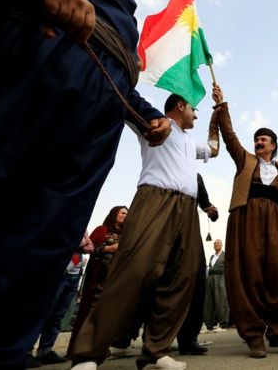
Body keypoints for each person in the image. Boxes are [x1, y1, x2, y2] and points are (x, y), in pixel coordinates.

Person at [0, 0, 171, 367]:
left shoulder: (126, 16)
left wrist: (147, 114)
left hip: (102, 98)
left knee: (49, 233)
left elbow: (113, 65)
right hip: (41, 39)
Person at [70, 89, 220, 370]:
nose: (196, 114)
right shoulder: (155, 123)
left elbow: (214, 148)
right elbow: (125, 100)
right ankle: (89, 354)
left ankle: (156, 351)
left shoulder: (191, 140)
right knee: (133, 270)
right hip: (155, 199)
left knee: (182, 277)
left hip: (187, 209)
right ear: (179, 106)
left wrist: (216, 118)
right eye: (193, 109)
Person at [216, 85, 278, 358]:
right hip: (247, 218)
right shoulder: (245, 160)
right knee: (249, 274)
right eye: (257, 139)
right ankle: (254, 336)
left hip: (275, 221)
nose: (259, 142)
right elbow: (229, 136)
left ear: (273, 145)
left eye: (264, 139)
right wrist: (222, 105)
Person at [67, 206, 129, 357]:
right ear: (114, 214)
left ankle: (100, 347)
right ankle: (79, 348)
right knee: (90, 313)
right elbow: (90, 248)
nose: (125, 216)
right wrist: (109, 249)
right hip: (99, 279)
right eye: (122, 213)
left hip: (115, 281)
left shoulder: (127, 234)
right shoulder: (102, 230)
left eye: (127, 214)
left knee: (107, 315)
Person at [27, 233, 94, 367]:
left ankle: (45, 351)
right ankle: (26, 351)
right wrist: (83, 243)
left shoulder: (83, 228)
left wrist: (84, 242)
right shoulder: (69, 223)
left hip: (74, 276)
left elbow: (91, 248)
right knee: (44, 313)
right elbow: (70, 242)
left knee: (58, 316)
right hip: (59, 274)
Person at [176, 173, 219, 356]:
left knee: (196, 279)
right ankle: (152, 338)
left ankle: (188, 339)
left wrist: (212, 211)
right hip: (162, 224)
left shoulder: (195, 176)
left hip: (189, 229)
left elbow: (205, 203)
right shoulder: (164, 163)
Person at [203, 239, 230, 332]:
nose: (215, 244)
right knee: (208, 302)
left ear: (221, 245)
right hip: (210, 278)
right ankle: (209, 325)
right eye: (214, 243)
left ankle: (223, 325)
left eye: (218, 243)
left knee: (221, 301)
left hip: (220, 278)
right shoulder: (212, 256)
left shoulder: (224, 255)